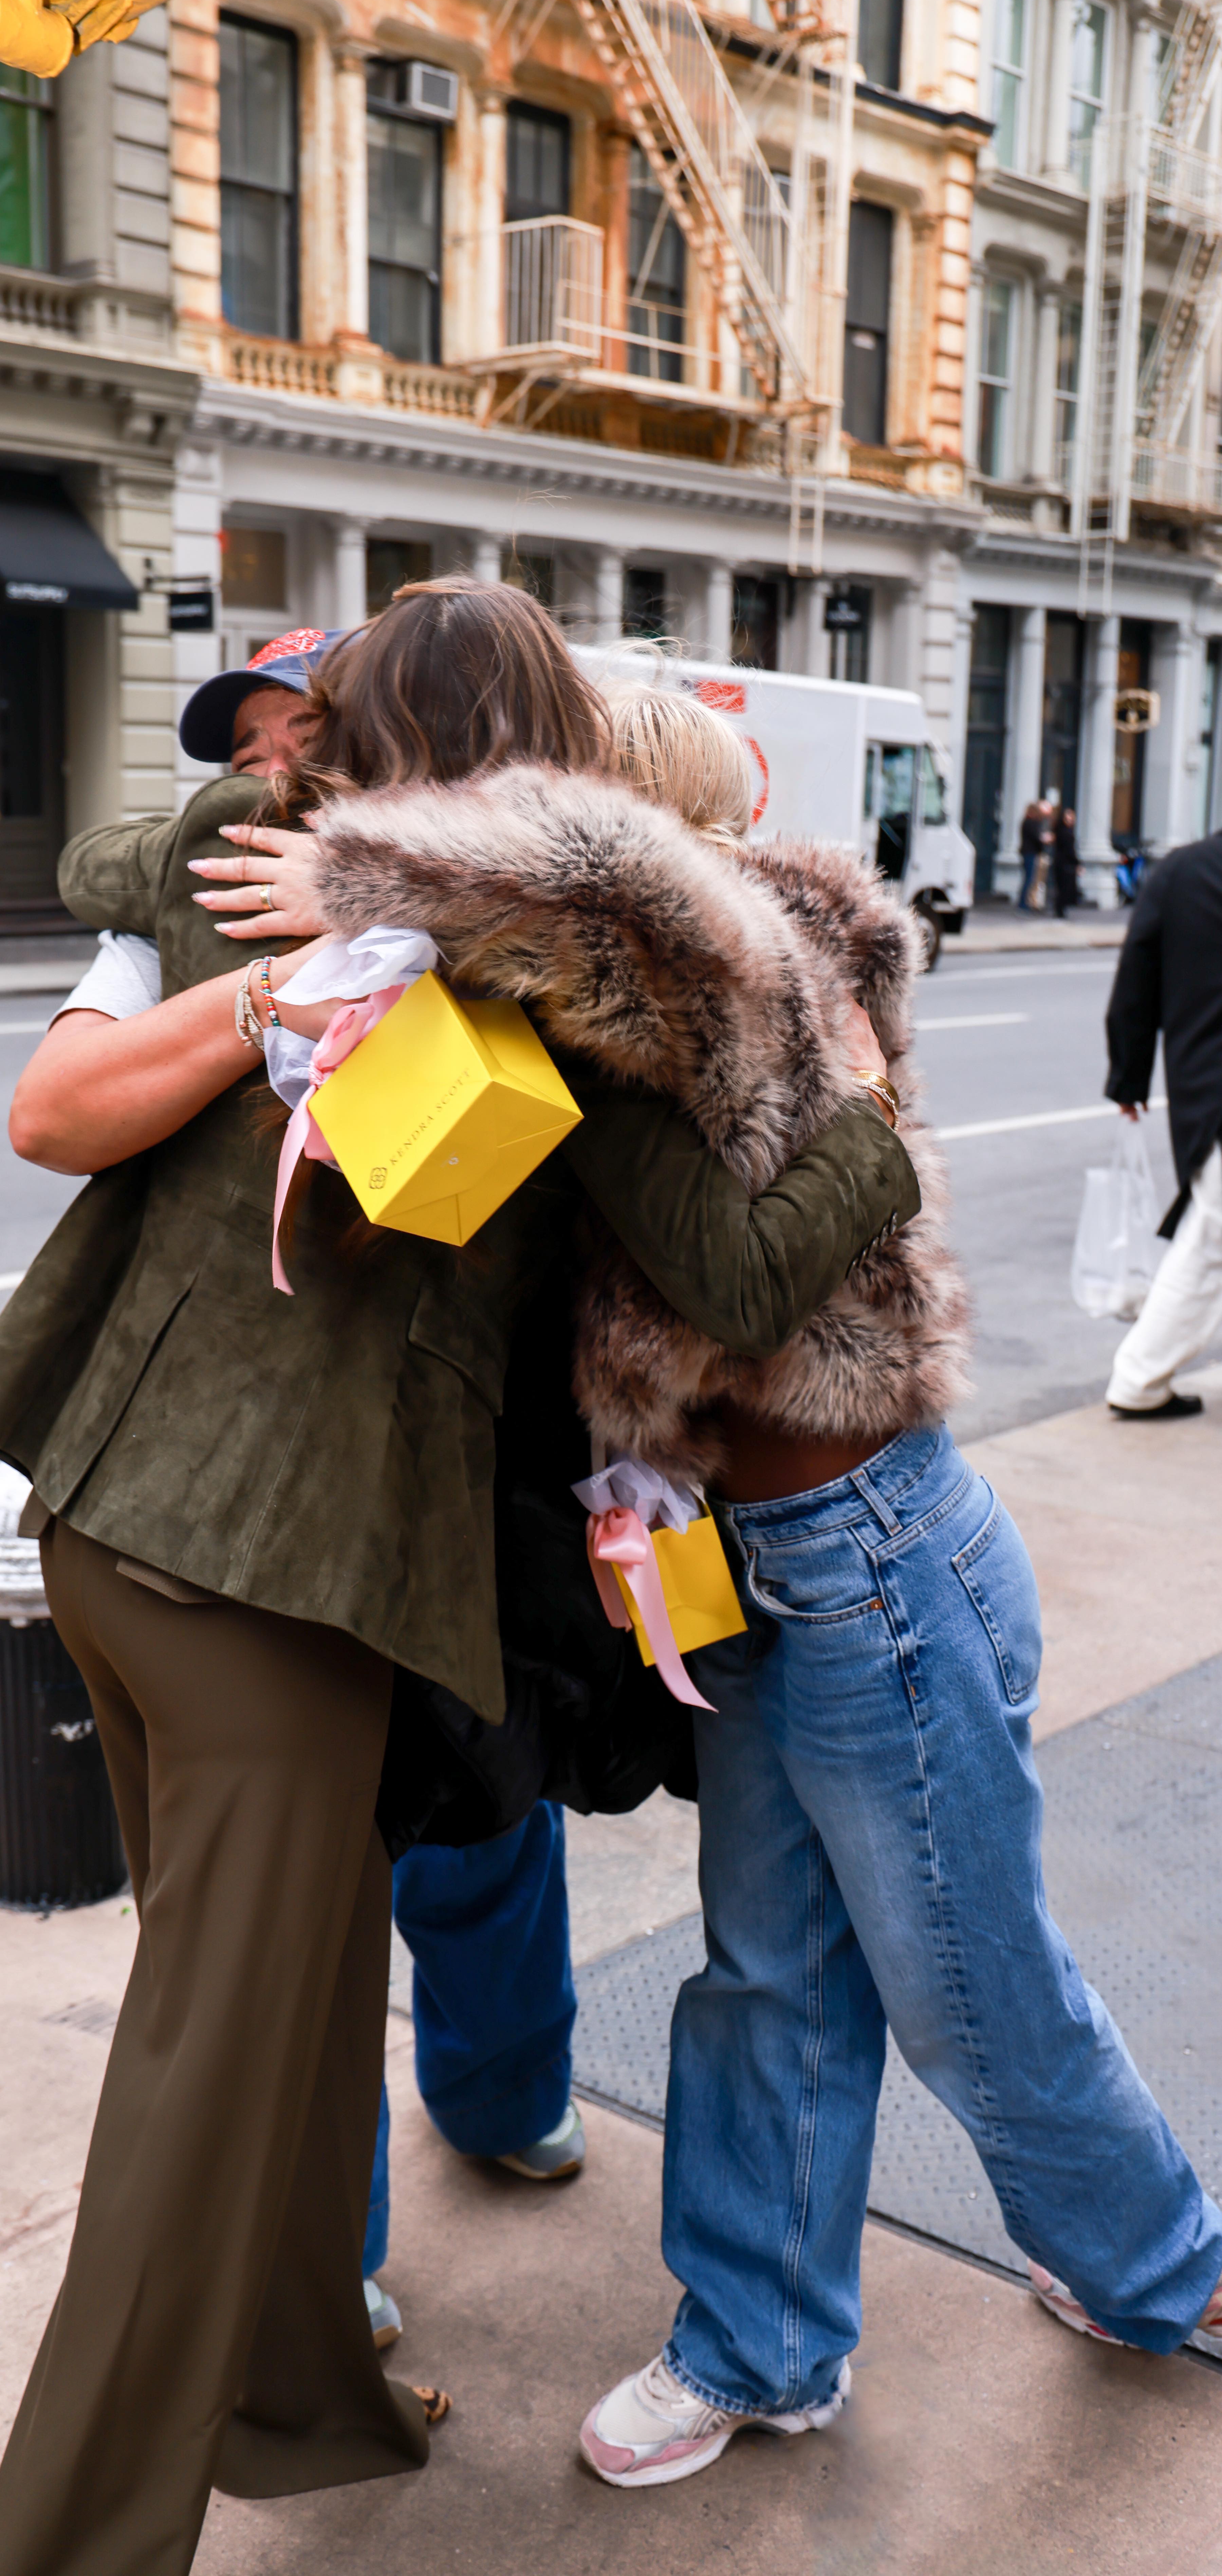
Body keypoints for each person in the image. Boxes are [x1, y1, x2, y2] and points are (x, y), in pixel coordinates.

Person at [0, 581, 920, 2576]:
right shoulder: (541, 963)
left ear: (330, 737)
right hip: (272, 1585)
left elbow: (112, 854)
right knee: (212, 2081)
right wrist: (868, 1128)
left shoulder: (269, 876)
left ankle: (304, 2396)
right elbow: (737, 1263)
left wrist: (301, 854)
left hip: (112, 1534)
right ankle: (73, 2546)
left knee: (288, 2027)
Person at [299, 677, 1222, 2492]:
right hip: (784, 1561)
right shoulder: (690, 983)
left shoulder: (719, 1000)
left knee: (963, 1983)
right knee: (768, 1980)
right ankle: (760, 2347)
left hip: (873, 1559)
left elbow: (732, 1276)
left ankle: (1163, 2267)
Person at [55, 621, 589, 2360]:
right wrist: (263, 951)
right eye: (251, 736)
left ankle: (506, 2100)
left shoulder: (521, 887)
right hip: (296, 1484)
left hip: (489, 1444)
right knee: (327, 1885)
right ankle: (328, 2252)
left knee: (492, 1822)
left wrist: (398, 891)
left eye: (306, 724)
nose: (275, 755)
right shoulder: (226, 886)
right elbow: (60, 1078)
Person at [1104, 823, 1222, 1420]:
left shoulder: (1179, 873)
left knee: (1210, 1233)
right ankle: (1139, 1377)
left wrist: (1128, 1079)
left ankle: (1141, 1377)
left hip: (1205, 1086)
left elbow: (1135, 982)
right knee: (1208, 1241)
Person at [1050, 801, 1081, 917]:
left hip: (1061, 862)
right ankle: (1060, 910)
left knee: (1062, 888)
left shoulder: (1061, 831)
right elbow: (1070, 850)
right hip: (1065, 864)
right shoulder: (1066, 833)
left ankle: (1060, 909)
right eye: (1069, 816)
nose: (1071, 819)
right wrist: (1077, 862)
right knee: (1064, 888)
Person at [1017, 796, 1047, 911]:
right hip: (1030, 853)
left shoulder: (1026, 822)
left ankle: (1025, 903)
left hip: (1027, 852)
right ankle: (1024, 904)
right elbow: (1037, 838)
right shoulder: (1031, 823)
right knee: (1029, 879)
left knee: (1029, 878)